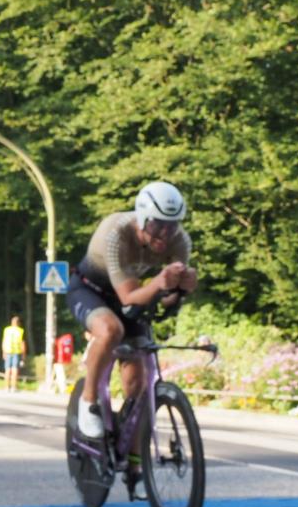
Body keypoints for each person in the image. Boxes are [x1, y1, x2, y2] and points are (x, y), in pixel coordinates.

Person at [65, 180, 198, 441]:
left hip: (134, 296)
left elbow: (164, 302)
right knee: (110, 329)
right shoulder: (117, 232)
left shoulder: (180, 241)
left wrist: (181, 290)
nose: (164, 234)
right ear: (142, 219)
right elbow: (128, 297)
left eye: (172, 225)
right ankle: (88, 401)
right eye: (156, 224)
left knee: (138, 382)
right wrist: (160, 282)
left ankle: (133, 452)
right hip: (90, 290)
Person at [1, 315, 27, 392]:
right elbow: (23, 344)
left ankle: (6, 387)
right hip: (16, 352)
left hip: (8, 351)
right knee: (15, 369)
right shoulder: (20, 331)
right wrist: (23, 355)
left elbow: (3, 341)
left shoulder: (6, 330)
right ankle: (13, 387)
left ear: (12, 323)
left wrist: (3, 351)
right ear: (18, 323)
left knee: (7, 369)